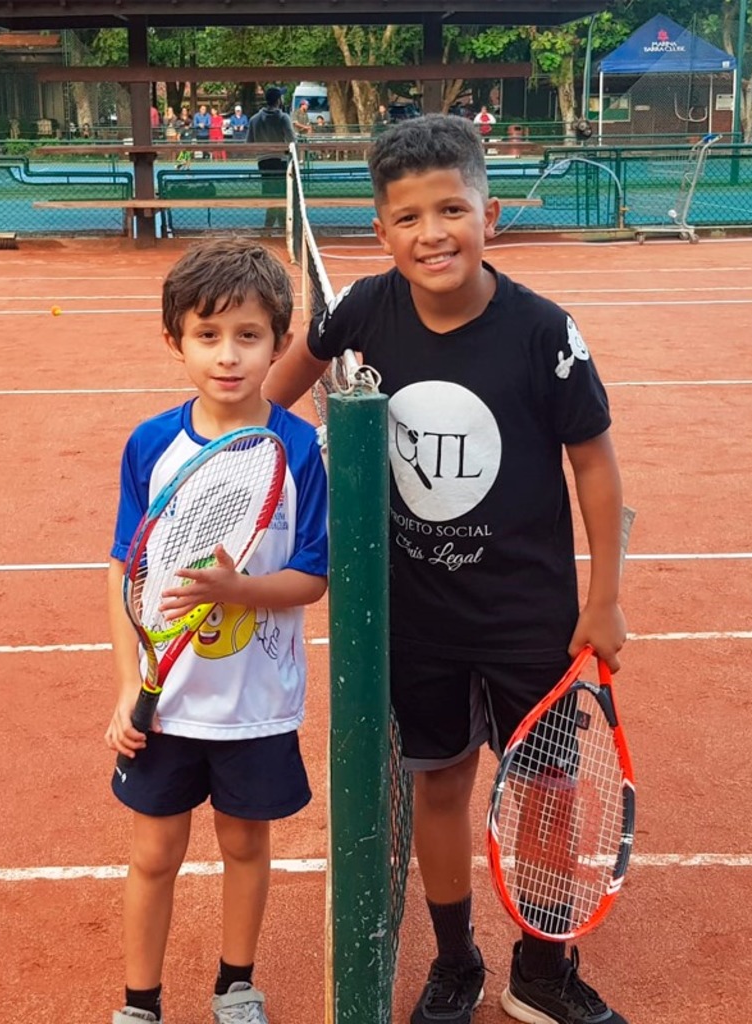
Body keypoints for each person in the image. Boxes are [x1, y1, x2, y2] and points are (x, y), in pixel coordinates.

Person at [263, 113, 628, 1024]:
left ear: (489, 214)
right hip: (414, 614)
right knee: (440, 783)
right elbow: (273, 399)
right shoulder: (362, 311)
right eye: (410, 218)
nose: (434, 234)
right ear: (381, 233)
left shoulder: (545, 331)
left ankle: (541, 970)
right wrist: (222, 464)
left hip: (526, 616)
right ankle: (457, 960)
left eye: (452, 210)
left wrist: (605, 601)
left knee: (542, 794)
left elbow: (595, 465)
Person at [106, 238, 329, 1024]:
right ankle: (140, 1003)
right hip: (166, 708)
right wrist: (129, 683)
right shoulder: (149, 445)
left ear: (279, 341)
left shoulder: (300, 449)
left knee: (243, 846)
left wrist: (241, 589)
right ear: (176, 341)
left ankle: (236, 986)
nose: (228, 356)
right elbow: (122, 571)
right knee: (153, 855)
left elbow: (313, 576)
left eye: (249, 336)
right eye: (207, 336)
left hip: (257, 704)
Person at [246, 87, 296, 231]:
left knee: (271, 195)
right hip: (280, 160)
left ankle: (272, 228)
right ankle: (277, 227)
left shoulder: (254, 119)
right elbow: (292, 140)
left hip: (263, 161)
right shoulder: (283, 117)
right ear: (278, 100)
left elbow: (249, 143)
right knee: (281, 195)